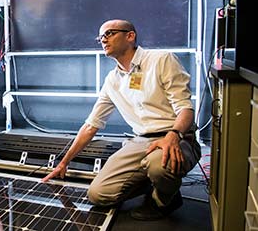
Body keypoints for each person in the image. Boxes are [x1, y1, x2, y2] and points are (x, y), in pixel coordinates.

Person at [42, 19, 201, 221]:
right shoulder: (112, 80)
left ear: (130, 36)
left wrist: (174, 135)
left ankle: (165, 199)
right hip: (141, 142)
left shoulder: (161, 60)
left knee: (160, 165)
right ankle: (151, 181)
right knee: (98, 195)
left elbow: (185, 109)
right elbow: (91, 125)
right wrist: (64, 162)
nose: (103, 40)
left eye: (109, 33)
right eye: (100, 37)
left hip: (177, 136)